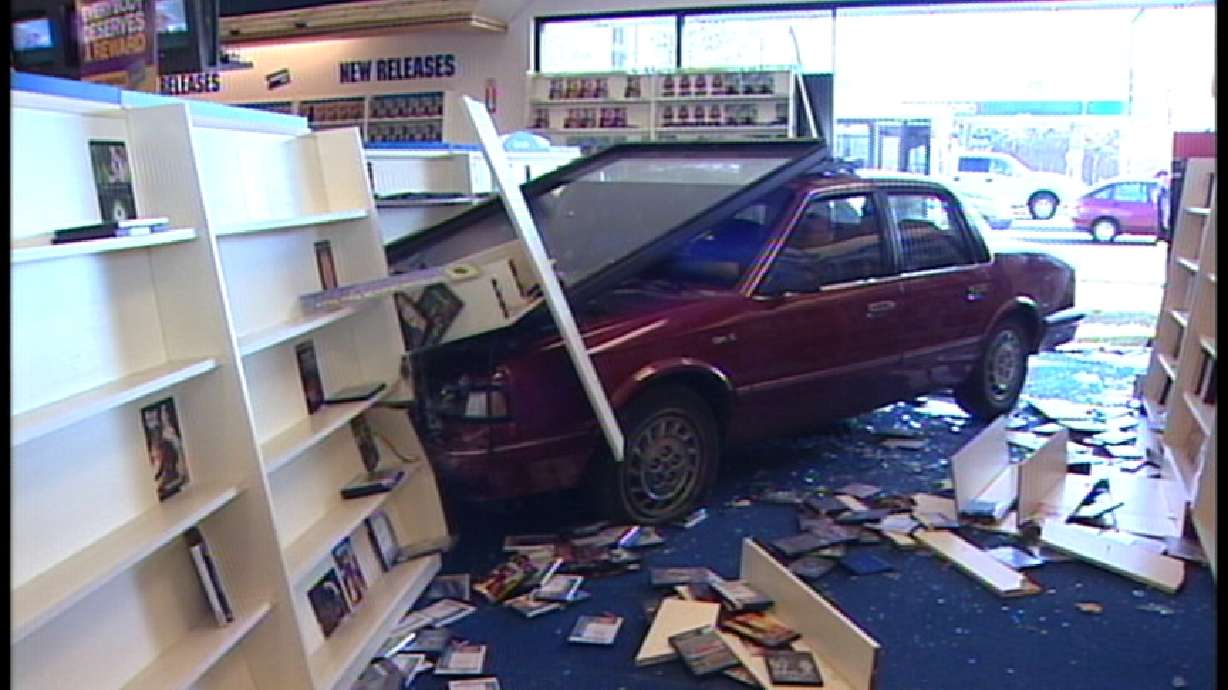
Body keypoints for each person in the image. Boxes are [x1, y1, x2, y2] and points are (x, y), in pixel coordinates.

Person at [1154, 169, 1172, 242]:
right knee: (1163, 220)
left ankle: (1165, 236)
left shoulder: (1165, 185)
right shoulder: (1160, 185)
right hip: (1162, 205)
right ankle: (1162, 235)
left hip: (1165, 204)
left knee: (1165, 220)